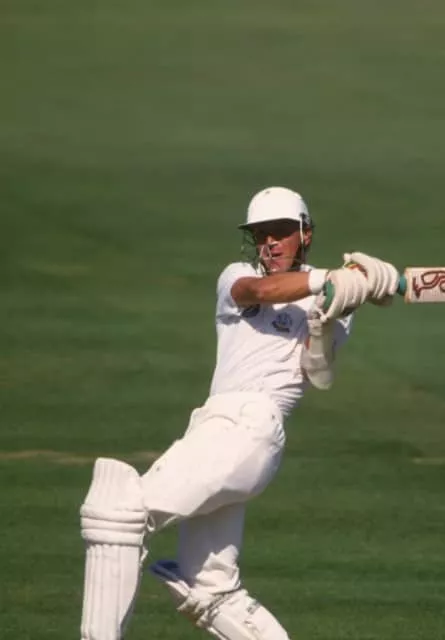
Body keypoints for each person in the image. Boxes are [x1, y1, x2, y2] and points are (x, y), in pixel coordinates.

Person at [78, 186, 400, 640]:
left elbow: (319, 374)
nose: (270, 243)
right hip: (219, 430)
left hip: (249, 428)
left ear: (305, 234)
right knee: (210, 588)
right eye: (261, 234)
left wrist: (330, 312)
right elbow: (260, 291)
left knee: (118, 510)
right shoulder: (238, 275)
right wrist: (329, 279)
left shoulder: (333, 298)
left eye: (281, 232)